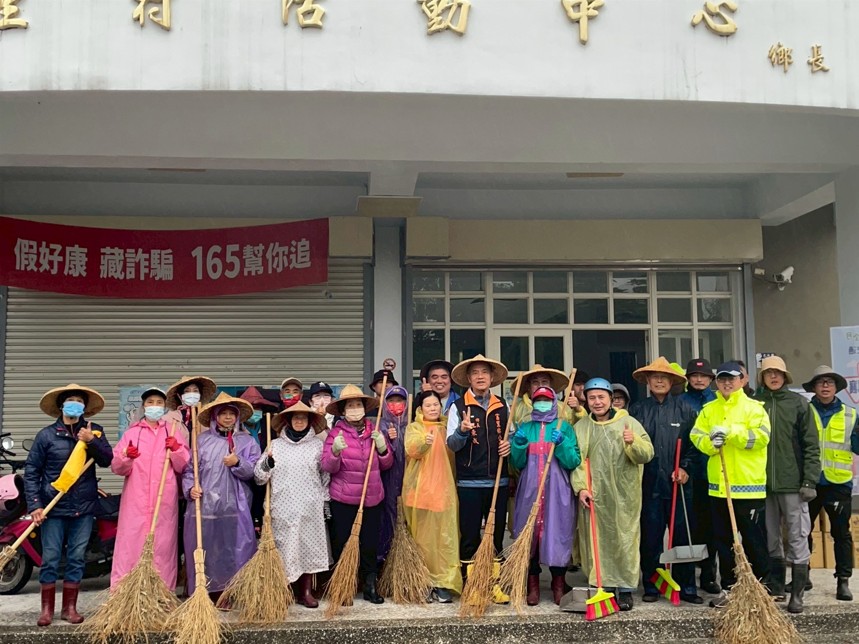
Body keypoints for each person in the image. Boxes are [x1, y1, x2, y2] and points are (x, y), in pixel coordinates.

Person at [25, 384, 113, 627]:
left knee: (76, 557)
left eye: (79, 400)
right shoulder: (46, 435)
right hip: (53, 507)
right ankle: (46, 610)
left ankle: (69, 609)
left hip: (83, 507)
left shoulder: (94, 431)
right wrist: (35, 505)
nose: (75, 404)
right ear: (61, 405)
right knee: (51, 558)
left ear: (84, 407)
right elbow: (32, 471)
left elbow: (107, 460)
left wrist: (91, 442)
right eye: (70, 400)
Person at [690, 362, 771, 608]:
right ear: (717, 382)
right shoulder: (709, 409)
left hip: (748, 486)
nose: (727, 383)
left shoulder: (755, 408)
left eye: (732, 379)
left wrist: (731, 433)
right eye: (723, 379)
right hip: (719, 488)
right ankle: (728, 589)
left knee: (754, 541)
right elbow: (696, 436)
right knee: (723, 542)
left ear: (742, 381)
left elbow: (761, 438)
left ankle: (761, 589)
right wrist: (711, 444)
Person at [572, 378, 654, 612]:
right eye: (592, 398)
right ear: (586, 401)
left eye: (601, 397)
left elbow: (647, 453)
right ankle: (603, 585)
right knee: (597, 539)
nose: (597, 402)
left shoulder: (629, 423)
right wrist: (581, 487)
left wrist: (633, 442)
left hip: (625, 494)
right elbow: (577, 461)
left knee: (625, 538)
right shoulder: (582, 427)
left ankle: (625, 589)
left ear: (610, 399)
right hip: (594, 494)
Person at [629, 357, 701, 604]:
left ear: (671, 382)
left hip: (678, 485)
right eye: (654, 377)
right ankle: (652, 584)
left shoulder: (686, 410)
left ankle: (686, 586)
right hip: (648, 484)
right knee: (650, 537)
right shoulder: (637, 410)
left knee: (682, 536)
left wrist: (684, 468)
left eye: (664, 377)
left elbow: (694, 446)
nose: (659, 381)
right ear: (648, 381)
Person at [752, 356, 819, 613]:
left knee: (797, 536)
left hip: (793, 484)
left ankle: (798, 593)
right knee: (771, 538)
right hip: (763, 484)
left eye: (778, 373)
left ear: (785, 376)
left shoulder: (798, 404)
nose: (773, 376)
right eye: (768, 373)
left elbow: (811, 445)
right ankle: (776, 587)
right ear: (762, 377)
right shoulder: (755, 404)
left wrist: (809, 480)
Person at [182, 392, 261, 602]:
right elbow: (189, 470)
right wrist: (190, 488)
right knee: (206, 548)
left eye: (231, 414)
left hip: (236, 506)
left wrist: (238, 462)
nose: (227, 417)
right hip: (205, 506)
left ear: (237, 417)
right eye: (223, 413)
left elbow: (254, 471)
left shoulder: (247, 442)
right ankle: (204, 591)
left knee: (233, 549)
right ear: (215, 416)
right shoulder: (201, 441)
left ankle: (229, 591)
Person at [112, 387, 191, 596]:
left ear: (164, 407)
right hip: (135, 501)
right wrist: (126, 457)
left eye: (158, 402)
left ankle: (161, 595)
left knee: (163, 547)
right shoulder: (132, 433)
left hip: (164, 500)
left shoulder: (172, 431)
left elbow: (183, 465)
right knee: (131, 546)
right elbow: (117, 467)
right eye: (150, 402)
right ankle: (126, 594)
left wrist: (177, 449)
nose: (154, 406)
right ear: (143, 406)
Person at [446, 354, 511, 603]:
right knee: (470, 536)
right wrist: (462, 431)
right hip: (469, 483)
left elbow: (512, 436)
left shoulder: (503, 405)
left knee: (495, 535)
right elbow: (451, 444)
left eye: (485, 372)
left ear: (492, 377)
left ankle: (493, 584)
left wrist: (509, 446)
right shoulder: (458, 406)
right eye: (475, 373)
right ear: (469, 378)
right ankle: (472, 586)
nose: (480, 376)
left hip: (498, 481)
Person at [321, 384, 393, 604]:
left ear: (364, 408)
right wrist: (335, 452)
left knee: (370, 544)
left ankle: (370, 585)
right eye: (350, 406)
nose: (354, 409)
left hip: (372, 498)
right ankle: (344, 585)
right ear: (343, 411)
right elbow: (327, 466)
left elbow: (387, 464)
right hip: (344, 499)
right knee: (343, 543)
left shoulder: (375, 430)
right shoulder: (336, 433)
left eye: (358, 405)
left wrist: (383, 448)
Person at [254, 401, 330, 608]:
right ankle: (285, 590)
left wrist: (324, 501)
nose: (299, 421)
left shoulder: (317, 446)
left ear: (309, 421)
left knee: (307, 547)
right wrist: (268, 464)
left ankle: (305, 591)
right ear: (288, 421)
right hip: (283, 506)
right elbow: (259, 477)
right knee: (285, 548)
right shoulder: (275, 445)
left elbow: (325, 476)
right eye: (295, 417)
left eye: (303, 418)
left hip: (309, 506)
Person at [509, 387, 581, 605]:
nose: (542, 403)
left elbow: (573, 461)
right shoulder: (525, 427)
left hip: (557, 490)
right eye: (538, 400)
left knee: (558, 533)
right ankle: (532, 586)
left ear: (554, 402)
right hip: (530, 490)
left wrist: (562, 443)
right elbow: (517, 463)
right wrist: (518, 445)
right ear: (532, 403)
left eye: (546, 400)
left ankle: (558, 583)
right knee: (528, 535)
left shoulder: (564, 427)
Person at [803, 365, 859, 602]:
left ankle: (843, 581)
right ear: (814, 387)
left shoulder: (851, 414)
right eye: (820, 382)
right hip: (809, 481)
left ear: (837, 387)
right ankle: (802, 576)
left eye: (830, 382)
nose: (825, 386)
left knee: (841, 533)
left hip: (838, 483)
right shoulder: (804, 411)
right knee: (802, 532)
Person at [402, 391, 462, 603]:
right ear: (420, 408)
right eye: (428, 405)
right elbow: (412, 450)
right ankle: (422, 581)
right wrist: (424, 443)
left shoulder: (447, 427)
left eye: (436, 404)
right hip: (420, 492)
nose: (433, 408)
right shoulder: (415, 428)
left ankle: (443, 583)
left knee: (444, 539)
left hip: (444, 491)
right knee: (422, 540)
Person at [679, 358, 720, 595]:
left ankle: (708, 574)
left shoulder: (718, 401)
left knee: (711, 528)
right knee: (689, 527)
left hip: (712, 472)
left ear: (711, 379)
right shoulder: (680, 402)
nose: (699, 379)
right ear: (688, 378)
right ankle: (686, 578)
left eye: (703, 376)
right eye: (694, 375)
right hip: (688, 473)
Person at [239, 386, 281, 532]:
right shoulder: (237, 430)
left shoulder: (269, 429)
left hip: (264, 476)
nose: (255, 412)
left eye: (258, 408)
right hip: (243, 477)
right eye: (251, 408)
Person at [378, 385, 410, 564]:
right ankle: (385, 559)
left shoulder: (412, 425)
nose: (396, 404)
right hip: (387, 480)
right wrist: (388, 441)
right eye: (391, 401)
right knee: (387, 519)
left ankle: (407, 560)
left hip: (409, 480)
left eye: (400, 400)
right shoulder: (381, 425)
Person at [164, 375, 218, 439]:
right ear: (180, 396)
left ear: (200, 395)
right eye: (187, 391)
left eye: (195, 391)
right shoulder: (170, 418)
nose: (192, 394)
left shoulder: (206, 418)